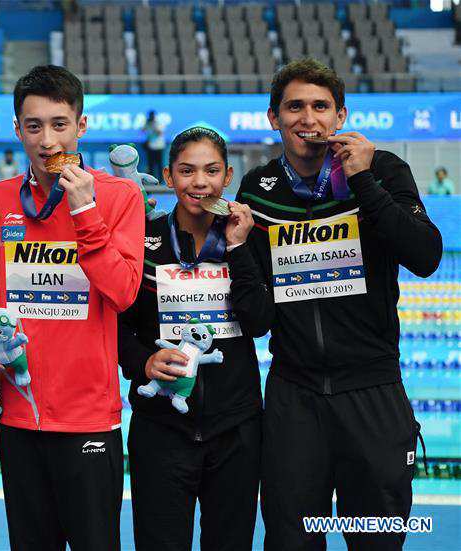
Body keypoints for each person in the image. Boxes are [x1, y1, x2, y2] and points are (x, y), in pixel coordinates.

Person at [236, 58, 442, 550]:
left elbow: (426, 255)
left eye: (320, 106)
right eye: (295, 107)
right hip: (294, 396)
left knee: (376, 539)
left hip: (372, 390)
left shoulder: (384, 169)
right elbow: (257, 315)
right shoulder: (259, 190)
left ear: (340, 116)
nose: (308, 118)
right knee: (292, 540)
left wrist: (364, 181)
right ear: (274, 118)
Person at [0, 65, 145, 550]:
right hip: (19, 416)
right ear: (17, 130)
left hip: (89, 419)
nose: (47, 140)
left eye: (59, 124)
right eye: (34, 126)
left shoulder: (119, 197)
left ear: (81, 126)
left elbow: (123, 293)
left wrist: (84, 212)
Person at [119, 127, 267, 551]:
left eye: (211, 171)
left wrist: (237, 250)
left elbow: (259, 320)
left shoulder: (247, 238)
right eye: (186, 171)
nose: (199, 182)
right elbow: (115, 322)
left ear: (228, 176)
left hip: (235, 428)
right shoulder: (145, 241)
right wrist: (143, 361)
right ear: (168, 176)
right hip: (161, 429)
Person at [143, 110, 165, 178]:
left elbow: (160, 132)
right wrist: (147, 124)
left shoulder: (158, 123)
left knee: (159, 164)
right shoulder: (147, 123)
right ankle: (151, 179)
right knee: (150, 164)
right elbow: (143, 130)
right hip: (150, 146)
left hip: (158, 146)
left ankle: (161, 180)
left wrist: (153, 125)